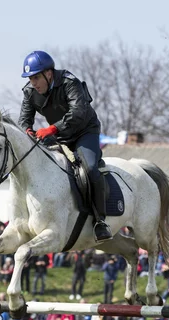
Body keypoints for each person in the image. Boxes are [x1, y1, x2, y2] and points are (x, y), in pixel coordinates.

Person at [18, 50, 112, 242]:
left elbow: (78, 112)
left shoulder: (70, 82)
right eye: (30, 78)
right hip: (58, 134)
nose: (33, 83)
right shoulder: (29, 91)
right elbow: (24, 121)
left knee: (90, 168)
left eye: (36, 77)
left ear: (49, 73)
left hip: (84, 131)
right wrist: (27, 132)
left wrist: (52, 129)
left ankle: (100, 221)